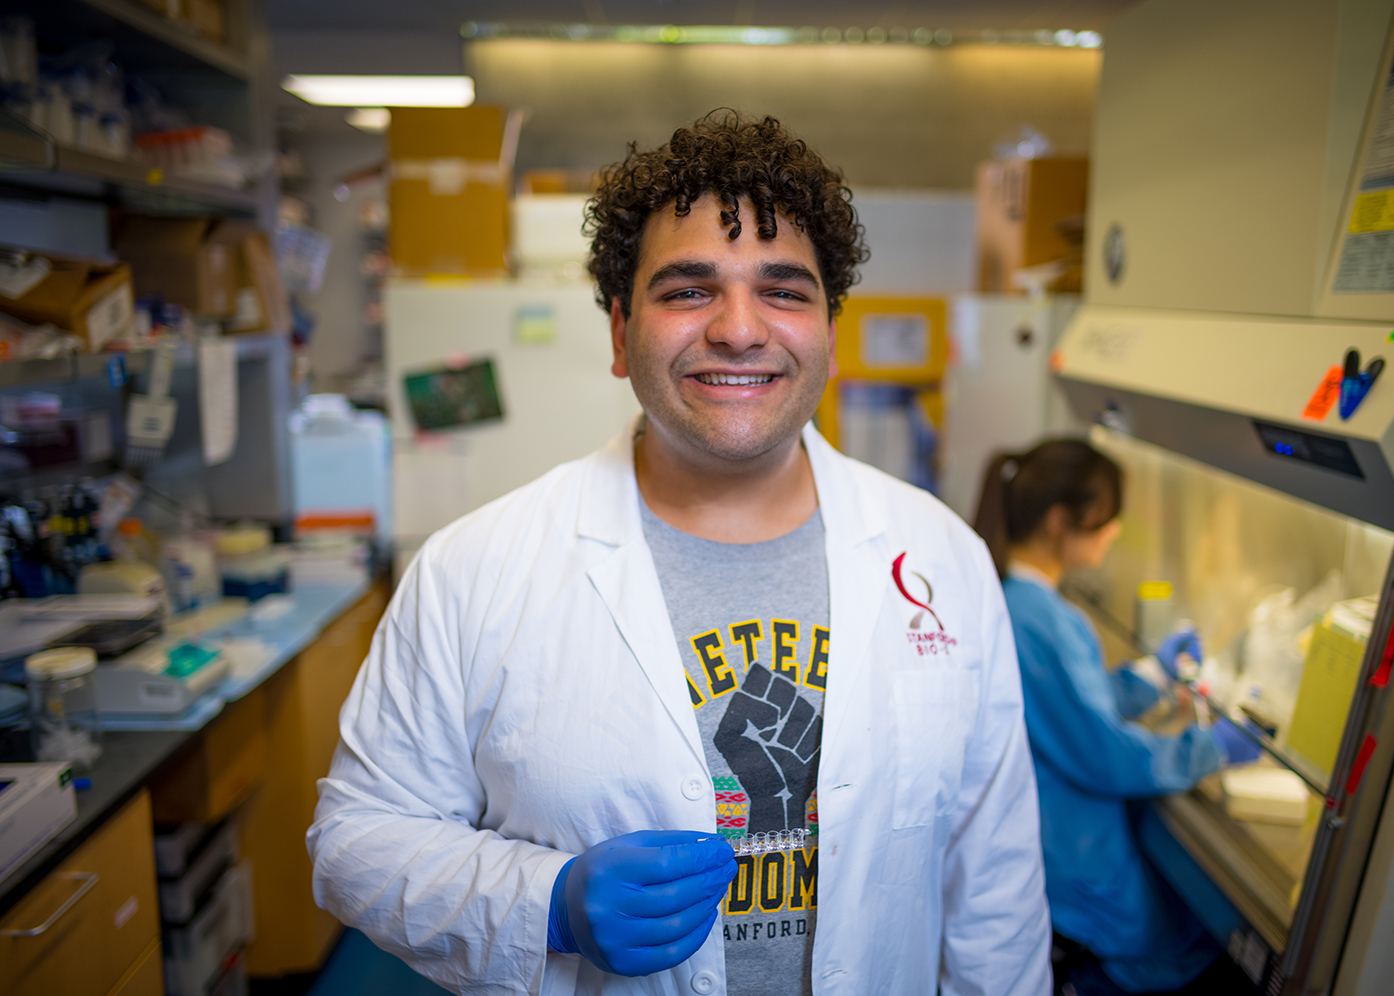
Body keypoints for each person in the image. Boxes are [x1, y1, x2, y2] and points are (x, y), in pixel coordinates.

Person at [308, 111, 1052, 996]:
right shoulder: (475, 570)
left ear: (830, 332)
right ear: (621, 334)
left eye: (783, 290)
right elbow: (356, 838)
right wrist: (546, 901)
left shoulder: (941, 560)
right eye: (688, 290)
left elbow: (996, 881)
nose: (739, 329)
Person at [972, 440, 1260, 996]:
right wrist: (1212, 746)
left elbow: (1068, 708)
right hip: (1070, 857)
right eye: (1106, 519)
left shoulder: (1015, 598)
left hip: (1049, 837)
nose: (1114, 532)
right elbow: (1105, 752)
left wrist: (1152, 677)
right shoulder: (1045, 619)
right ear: (1061, 522)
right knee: (1179, 948)